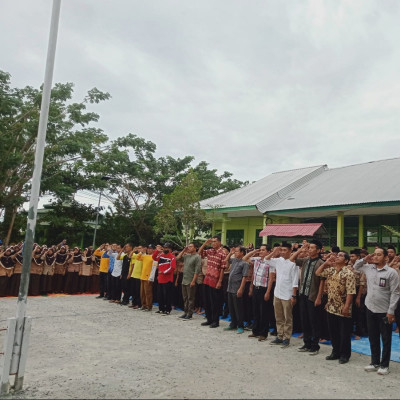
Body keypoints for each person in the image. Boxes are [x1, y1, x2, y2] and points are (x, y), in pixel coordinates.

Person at [354, 247, 400, 375]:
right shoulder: (368, 268)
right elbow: (356, 266)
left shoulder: (391, 273)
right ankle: (374, 362)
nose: (375, 256)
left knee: (386, 338)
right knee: (373, 337)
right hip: (370, 308)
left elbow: (395, 293)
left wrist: (391, 311)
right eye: (374, 254)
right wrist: (365, 259)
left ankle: (384, 365)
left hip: (385, 311)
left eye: (379, 255)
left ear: (386, 257)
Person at [315, 251, 356, 364]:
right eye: (337, 255)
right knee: (333, 331)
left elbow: (350, 292)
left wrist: (347, 306)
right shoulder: (331, 270)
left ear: (346, 261)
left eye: (341, 256)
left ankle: (345, 354)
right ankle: (335, 352)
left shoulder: (348, 273)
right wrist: (326, 263)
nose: (337, 257)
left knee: (344, 332)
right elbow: (318, 273)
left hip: (343, 307)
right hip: (331, 306)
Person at [290, 240, 324, 355]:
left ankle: (315, 345)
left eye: (312, 248)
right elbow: (292, 259)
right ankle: (307, 343)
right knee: (304, 320)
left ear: (318, 250)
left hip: (313, 296)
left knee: (314, 321)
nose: (309, 249)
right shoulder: (305, 260)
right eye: (309, 248)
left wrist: (319, 297)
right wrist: (301, 249)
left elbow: (322, 283)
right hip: (303, 294)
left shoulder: (320, 263)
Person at [264, 243, 299, 348]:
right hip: (277, 293)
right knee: (278, 317)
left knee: (287, 317)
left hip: (287, 294)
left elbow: (295, 281)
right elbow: (266, 260)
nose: (282, 252)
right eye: (281, 250)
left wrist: (293, 295)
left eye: (285, 250)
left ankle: (286, 337)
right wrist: (274, 252)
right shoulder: (278, 261)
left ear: (289, 251)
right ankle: (279, 336)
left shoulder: (293, 264)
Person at [244, 244, 274, 341]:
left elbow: (271, 279)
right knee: (256, 311)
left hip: (264, 288)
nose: (261, 252)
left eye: (263, 250)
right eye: (260, 250)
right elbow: (244, 258)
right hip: (256, 287)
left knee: (264, 312)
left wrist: (268, 292)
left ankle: (263, 333)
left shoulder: (271, 262)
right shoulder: (256, 259)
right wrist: (254, 251)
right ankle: (255, 331)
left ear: (269, 252)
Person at [198, 235, 226, 328]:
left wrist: (220, 281)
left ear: (219, 242)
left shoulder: (222, 253)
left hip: (215, 280)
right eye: (212, 242)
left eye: (214, 241)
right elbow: (199, 253)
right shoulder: (210, 251)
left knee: (215, 302)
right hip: (207, 279)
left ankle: (215, 321)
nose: (213, 243)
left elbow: (222, 268)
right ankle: (209, 319)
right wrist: (205, 243)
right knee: (207, 301)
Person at [222, 246, 249, 334]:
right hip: (230, 288)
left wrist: (241, 289)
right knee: (231, 307)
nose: (235, 253)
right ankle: (233, 324)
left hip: (237, 288)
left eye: (237, 251)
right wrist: (230, 252)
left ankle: (240, 325)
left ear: (242, 253)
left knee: (238, 308)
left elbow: (244, 277)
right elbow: (226, 260)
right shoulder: (234, 261)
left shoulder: (245, 263)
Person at [176, 243, 202, 320]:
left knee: (191, 298)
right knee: (185, 297)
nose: (189, 248)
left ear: (195, 248)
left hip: (191, 280)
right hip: (184, 279)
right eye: (189, 246)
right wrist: (184, 250)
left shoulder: (197, 257)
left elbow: (197, 270)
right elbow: (177, 258)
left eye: (191, 246)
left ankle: (190, 313)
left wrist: (193, 281)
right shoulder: (186, 256)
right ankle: (185, 311)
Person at [152, 243, 176, 315]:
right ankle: (161, 309)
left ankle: (168, 309)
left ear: (170, 249)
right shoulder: (161, 255)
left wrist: (163, 272)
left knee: (167, 295)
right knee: (160, 295)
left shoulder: (172, 257)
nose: (165, 249)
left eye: (167, 248)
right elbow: (154, 257)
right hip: (160, 279)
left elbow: (172, 268)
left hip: (168, 279)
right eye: (165, 247)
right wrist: (157, 251)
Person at [140, 245, 156, 311]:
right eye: (148, 249)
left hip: (148, 277)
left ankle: (149, 305)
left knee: (148, 293)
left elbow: (154, 268)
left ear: (153, 250)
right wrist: (141, 252)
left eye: (150, 249)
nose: (149, 250)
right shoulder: (145, 256)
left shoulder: (154, 257)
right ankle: (143, 305)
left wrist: (151, 278)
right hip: (142, 276)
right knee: (142, 292)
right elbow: (138, 258)